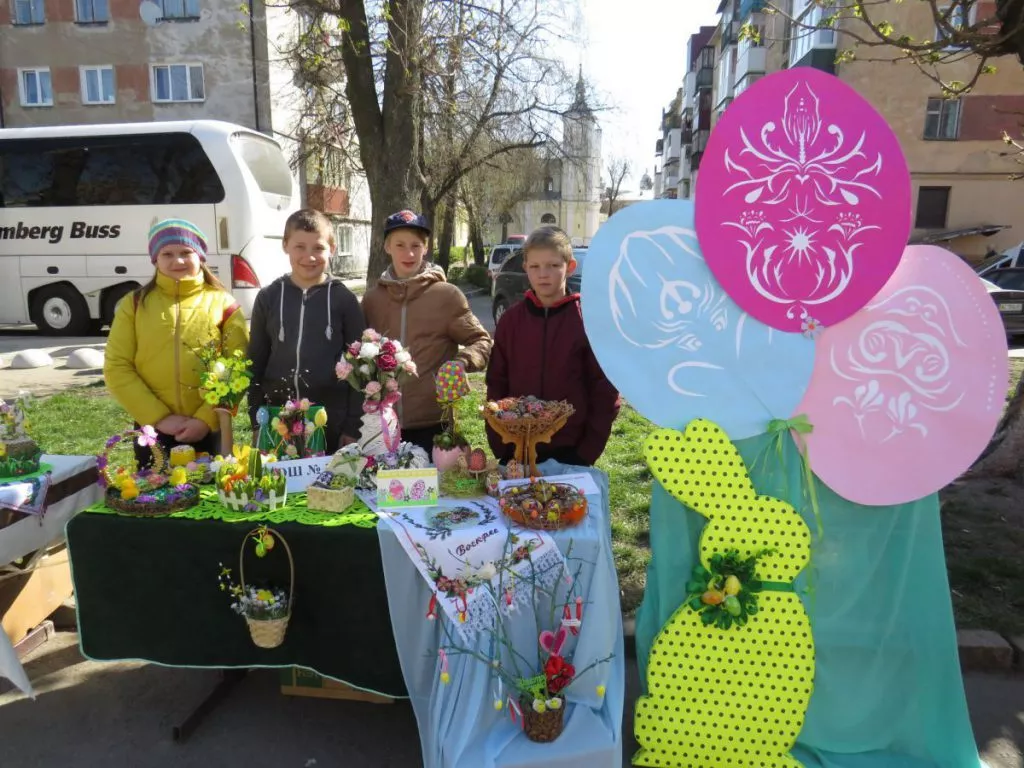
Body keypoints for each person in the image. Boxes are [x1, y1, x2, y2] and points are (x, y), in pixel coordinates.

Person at [105, 219, 249, 467]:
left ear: (200, 256)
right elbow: (117, 366)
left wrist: (205, 419)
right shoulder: (135, 305)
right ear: (155, 259)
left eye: (186, 252)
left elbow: (238, 367)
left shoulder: (224, 304)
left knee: (211, 489)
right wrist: (159, 418)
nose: (178, 261)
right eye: (167, 254)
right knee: (154, 489)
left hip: (209, 429)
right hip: (152, 430)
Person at [485, 225, 620, 467]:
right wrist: (502, 443)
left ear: (570, 267)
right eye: (535, 266)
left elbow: (605, 390)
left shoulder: (588, 321)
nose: (543, 274)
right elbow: (496, 383)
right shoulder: (511, 321)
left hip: (572, 452)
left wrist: (586, 452)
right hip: (516, 451)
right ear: (525, 267)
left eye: (553, 265)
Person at [362, 210, 492, 453]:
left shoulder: (447, 295)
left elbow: (482, 341)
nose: (409, 253)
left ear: (426, 247)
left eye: (416, 245)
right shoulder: (372, 300)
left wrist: (462, 362)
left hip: (433, 423)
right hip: (381, 425)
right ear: (387, 247)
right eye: (400, 245)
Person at [247, 208, 366, 450]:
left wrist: (352, 427)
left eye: (318, 248)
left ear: (332, 249)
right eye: (300, 247)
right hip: (277, 418)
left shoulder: (344, 300)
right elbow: (255, 363)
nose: (309, 257)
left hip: (331, 420)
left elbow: (360, 367)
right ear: (285, 245)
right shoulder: (268, 298)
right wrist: (256, 421)